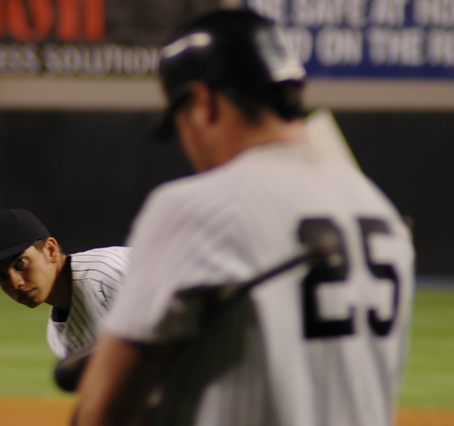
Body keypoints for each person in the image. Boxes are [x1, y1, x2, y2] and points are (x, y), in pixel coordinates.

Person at [74, 9, 415, 426]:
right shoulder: (378, 208)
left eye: (179, 122)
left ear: (202, 103)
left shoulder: (194, 208)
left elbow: (101, 415)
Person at [0, 208, 131, 359]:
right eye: (0, 276)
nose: (15, 283)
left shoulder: (108, 273)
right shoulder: (58, 337)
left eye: (21, 263)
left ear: (50, 250)